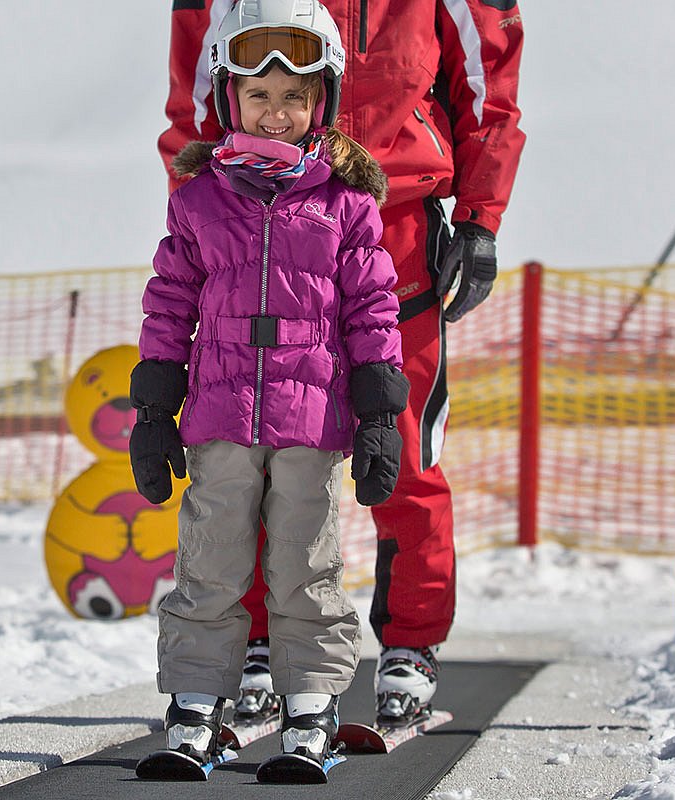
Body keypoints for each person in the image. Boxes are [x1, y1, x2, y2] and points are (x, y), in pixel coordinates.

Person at [161, 0, 526, 723]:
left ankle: (412, 642)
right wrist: (201, 226)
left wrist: (481, 221)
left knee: (403, 453)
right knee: (256, 441)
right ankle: (260, 640)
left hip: (394, 232)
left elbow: (491, 88)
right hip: (258, 216)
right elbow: (197, 94)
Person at [129, 0, 406, 767]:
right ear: (227, 100)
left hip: (310, 417)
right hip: (218, 411)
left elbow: (374, 310)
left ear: (323, 102)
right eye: (259, 96)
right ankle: (194, 704)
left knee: (303, 560)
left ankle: (311, 707)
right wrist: (154, 407)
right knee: (209, 559)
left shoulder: (345, 204)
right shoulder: (197, 202)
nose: (276, 113)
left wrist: (380, 413)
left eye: (294, 96)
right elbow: (169, 304)